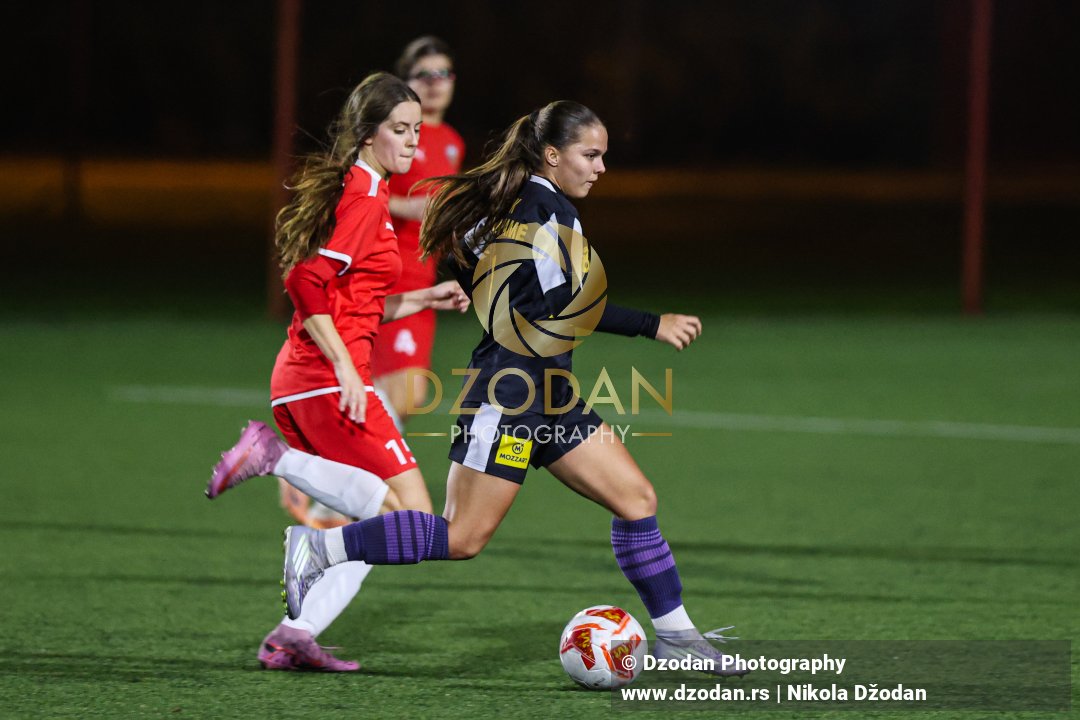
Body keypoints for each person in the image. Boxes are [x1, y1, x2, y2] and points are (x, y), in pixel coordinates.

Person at [267, 100, 747, 676]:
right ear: (552, 154)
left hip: (551, 396)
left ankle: (676, 638)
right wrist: (654, 324)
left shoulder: (523, 206)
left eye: (603, 157)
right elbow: (565, 308)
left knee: (636, 500)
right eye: (589, 155)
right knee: (463, 537)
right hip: (508, 396)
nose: (599, 168)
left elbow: (478, 260)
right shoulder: (546, 213)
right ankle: (322, 547)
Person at [206, 71, 468, 671]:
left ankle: (292, 634)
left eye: (415, 130)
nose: (411, 143)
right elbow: (304, 281)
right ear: (368, 134)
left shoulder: (366, 191)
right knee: (413, 521)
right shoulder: (363, 195)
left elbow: (357, 302)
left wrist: (422, 299)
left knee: (380, 522)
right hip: (326, 380)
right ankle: (272, 460)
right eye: (399, 131)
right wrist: (351, 370)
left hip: (307, 378)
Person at [281, 36, 467, 531]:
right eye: (425, 74)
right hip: (379, 281)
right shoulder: (370, 182)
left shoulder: (447, 141)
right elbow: (307, 275)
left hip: (408, 284)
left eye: (444, 73)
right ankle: (318, 483)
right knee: (394, 397)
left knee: (399, 402)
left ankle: (330, 499)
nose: (436, 84)